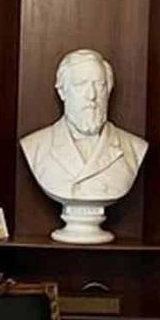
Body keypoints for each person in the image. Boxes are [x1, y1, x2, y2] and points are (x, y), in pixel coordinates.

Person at [19, 48, 148, 203]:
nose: (92, 95)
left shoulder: (133, 147)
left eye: (99, 85)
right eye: (80, 85)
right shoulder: (36, 146)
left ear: (108, 91)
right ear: (62, 92)